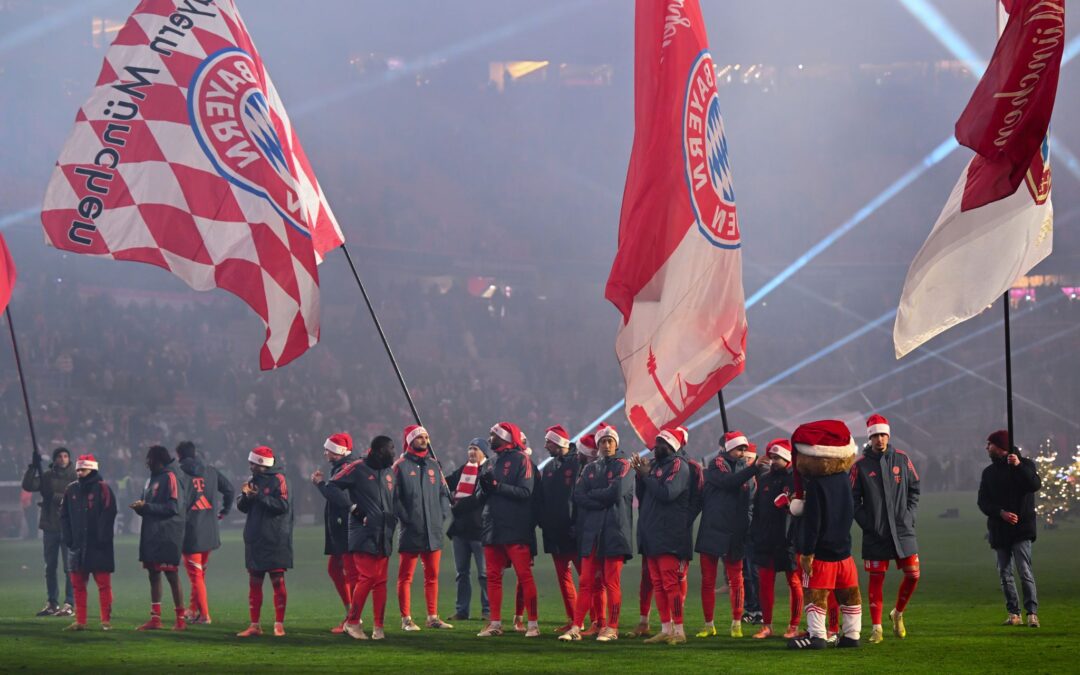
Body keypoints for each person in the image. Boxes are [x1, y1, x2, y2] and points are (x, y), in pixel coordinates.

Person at [787, 420, 862, 650]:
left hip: (822, 555)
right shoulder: (844, 478)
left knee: (815, 595)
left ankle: (817, 636)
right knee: (849, 595)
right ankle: (852, 635)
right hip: (844, 552)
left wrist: (807, 552)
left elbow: (814, 522)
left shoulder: (816, 485)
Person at [559, 423, 633, 643]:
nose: (607, 445)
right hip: (592, 533)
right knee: (585, 581)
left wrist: (594, 496)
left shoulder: (624, 464)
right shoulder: (590, 468)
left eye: (610, 441)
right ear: (598, 445)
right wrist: (603, 498)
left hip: (614, 532)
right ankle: (576, 627)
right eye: (603, 441)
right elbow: (578, 496)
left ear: (616, 443)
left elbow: (616, 492)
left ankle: (612, 628)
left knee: (611, 582)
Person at [850, 415, 920, 643]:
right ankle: (876, 628)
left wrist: (909, 516)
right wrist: (868, 524)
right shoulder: (859, 466)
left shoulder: (902, 459)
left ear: (888, 435)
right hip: (876, 534)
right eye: (875, 436)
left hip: (902, 529)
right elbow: (853, 500)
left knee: (913, 575)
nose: (879, 439)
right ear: (869, 438)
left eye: (882, 435)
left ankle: (897, 613)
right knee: (876, 579)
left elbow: (914, 488)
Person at [326, 436, 398, 641]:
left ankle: (378, 628)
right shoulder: (357, 467)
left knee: (381, 581)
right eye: (390, 449)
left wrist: (394, 519)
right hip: (363, 531)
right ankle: (352, 622)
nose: (394, 452)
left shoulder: (389, 472)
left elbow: (394, 500)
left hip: (384, 532)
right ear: (378, 451)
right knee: (367, 577)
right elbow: (332, 486)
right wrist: (353, 508)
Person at [476, 422, 539, 638]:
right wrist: (484, 489)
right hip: (491, 526)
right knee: (493, 576)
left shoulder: (522, 459)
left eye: (493, 435)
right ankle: (495, 623)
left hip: (515, 526)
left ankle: (533, 624)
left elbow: (525, 492)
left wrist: (497, 487)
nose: (489, 438)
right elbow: (480, 496)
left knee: (524, 575)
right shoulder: (489, 462)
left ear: (505, 438)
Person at [696, 430, 759, 638]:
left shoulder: (747, 472)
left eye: (744, 448)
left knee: (736, 580)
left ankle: (736, 624)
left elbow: (750, 500)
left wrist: (746, 523)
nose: (743, 452)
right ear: (729, 448)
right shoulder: (716, 464)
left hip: (735, 531)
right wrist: (753, 469)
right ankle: (709, 625)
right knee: (708, 580)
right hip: (712, 529)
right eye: (739, 448)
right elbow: (728, 482)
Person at [977, 429, 1042, 628]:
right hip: (999, 529)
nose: (987, 448)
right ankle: (1014, 613)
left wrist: (1019, 466)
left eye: (990, 444)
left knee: (1024, 571)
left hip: (1021, 528)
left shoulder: (1026, 465)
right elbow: (983, 502)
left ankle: (1032, 613)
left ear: (1000, 447)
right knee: (1005, 574)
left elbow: (1034, 485)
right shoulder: (989, 473)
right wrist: (1001, 513)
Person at [632, 427, 690, 645]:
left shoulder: (679, 466)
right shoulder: (655, 465)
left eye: (661, 443)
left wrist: (647, 475)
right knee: (658, 584)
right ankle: (666, 628)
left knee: (670, 584)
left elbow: (667, 493)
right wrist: (640, 476)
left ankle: (679, 630)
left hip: (669, 534)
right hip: (651, 532)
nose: (656, 447)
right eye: (656, 442)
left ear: (671, 446)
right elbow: (643, 495)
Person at [393, 424, 453, 630]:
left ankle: (432, 617)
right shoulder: (400, 466)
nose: (424, 440)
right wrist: (406, 517)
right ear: (410, 440)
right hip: (411, 530)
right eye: (420, 437)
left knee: (432, 576)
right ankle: (406, 619)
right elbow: (394, 497)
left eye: (426, 437)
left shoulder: (434, 465)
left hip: (433, 530)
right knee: (406, 577)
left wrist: (442, 514)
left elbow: (443, 493)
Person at [236, 446, 293, 638]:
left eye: (253, 463)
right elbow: (243, 507)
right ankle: (255, 625)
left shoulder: (279, 479)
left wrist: (259, 496)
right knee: (255, 582)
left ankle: (279, 624)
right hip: (255, 538)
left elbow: (283, 505)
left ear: (263, 464)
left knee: (277, 581)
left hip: (275, 538)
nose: (250, 466)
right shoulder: (253, 480)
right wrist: (246, 496)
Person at [177, 440, 234, 625]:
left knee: (196, 575)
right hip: (210, 531)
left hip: (191, 533)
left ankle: (205, 615)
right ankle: (193, 610)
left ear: (179, 456)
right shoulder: (210, 471)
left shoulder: (179, 474)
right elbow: (230, 489)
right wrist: (225, 510)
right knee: (200, 575)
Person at [749, 439, 801, 640]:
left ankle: (794, 626)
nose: (774, 460)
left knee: (794, 582)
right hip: (766, 539)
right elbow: (757, 510)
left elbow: (801, 511)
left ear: (787, 458)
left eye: (778, 457)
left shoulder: (796, 479)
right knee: (765, 583)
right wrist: (755, 534)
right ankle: (767, 626)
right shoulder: (764, 480)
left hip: (789, 541)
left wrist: (789, 507)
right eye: (772, 457)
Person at [131, 445, 187, 631]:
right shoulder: (150, 480)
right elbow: (147, 505)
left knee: (171, 575)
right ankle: (155, 619)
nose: (147, 462)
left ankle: (180, 620)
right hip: (151, 534)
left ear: (158, 459)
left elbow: (173, 508)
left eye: (149, 458)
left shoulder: (170, 477)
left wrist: (146, 507)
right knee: (153, 574)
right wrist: (140, 508)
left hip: (167, 535)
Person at [60, 454, 117, 631]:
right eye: (77, 469)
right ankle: (80, 621)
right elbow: (64, 516)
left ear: (91, 469)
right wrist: (69, 538)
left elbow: (109, 514)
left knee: (103, 585)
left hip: (99, 547)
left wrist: (102, 538)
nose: (79, 472)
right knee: (78, 585)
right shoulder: (71, 490)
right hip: (77, 546)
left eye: (82, 469)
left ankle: (105, 621)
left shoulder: (103, 489)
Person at [537, 425, 583, 632]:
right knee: (564, 578)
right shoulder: (549, 467)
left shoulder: (578, 463)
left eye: (549, 442)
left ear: (558, 443)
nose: (546, 446)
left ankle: (599, 621)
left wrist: (576, 524)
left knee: (587, 578)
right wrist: (544, 522)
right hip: (554, 532)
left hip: (573, 531)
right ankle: (573, 619)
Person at [22, 446, 76, 617]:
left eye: (65, 456)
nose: (63, 459)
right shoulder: (47, 476)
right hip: (50, 526)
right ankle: (52, 603)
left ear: (69, 458)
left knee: (69, 568)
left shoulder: (75, 477)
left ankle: (69, 603)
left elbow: (76, 498)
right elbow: (28, 485)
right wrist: (33, 467)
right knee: (50, 567)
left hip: (68, 527)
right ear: (55, 459)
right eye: (59, 456)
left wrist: (55, 496)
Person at [311, 432, 356, 633]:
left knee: (351, 572)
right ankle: (351, 613)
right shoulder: (342, 467)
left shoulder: (347, 468)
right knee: (335, 569)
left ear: (338, 451)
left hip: (346, 526)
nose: (325, 453)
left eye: (328, 449)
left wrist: (320, 484)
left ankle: (353, 617)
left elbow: (339, 497)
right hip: (340, 527)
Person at [447, 438, 490, 621]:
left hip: (479, 530)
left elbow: (480, 498)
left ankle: (488, 611)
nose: (471, 452)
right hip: (460, 530)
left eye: (475, 449)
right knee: (461, 574)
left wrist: (458, 506)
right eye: (469, 448)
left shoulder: (488, 471)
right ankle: (462, 611)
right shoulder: (463, 470)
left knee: (484, 574)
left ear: (484, 452)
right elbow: (447, 483)